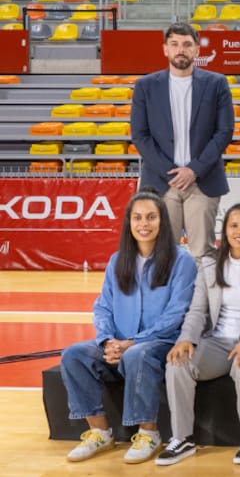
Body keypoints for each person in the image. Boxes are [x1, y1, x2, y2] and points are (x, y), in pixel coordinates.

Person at [60, 190, 197, 463]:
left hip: (160, 343)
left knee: (138, 353)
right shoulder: (117, 260)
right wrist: (107, 341)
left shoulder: (182, 260)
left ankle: (149, 433)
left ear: (163, 222)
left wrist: (133, 342)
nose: (143, 224)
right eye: (137, 218)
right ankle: (100, 432)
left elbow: (177, 312)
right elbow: (103, 306)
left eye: (151, 218)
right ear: (129, 223)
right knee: (73, 354)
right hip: (119, 343)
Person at [158, 204, 240, 466]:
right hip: (216, 340)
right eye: (233, 225)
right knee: (177, 363)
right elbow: (197, 309)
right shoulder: (210, 262)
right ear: (224, 230)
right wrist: (185, 339)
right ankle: (182, 438)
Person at [131, 23, 235, 258]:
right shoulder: (145, 86)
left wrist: (193, 170)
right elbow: (139, 134)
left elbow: (224, 131)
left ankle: (203, 296)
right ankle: (166, 296)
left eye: (187, 44)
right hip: (161, 182)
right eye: (175, 44)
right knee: (161, 253)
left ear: (197, 50)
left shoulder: (217, 83)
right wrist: (172, 171)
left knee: (203, 253)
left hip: (203, 182)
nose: (181, 50)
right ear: (165, 49)